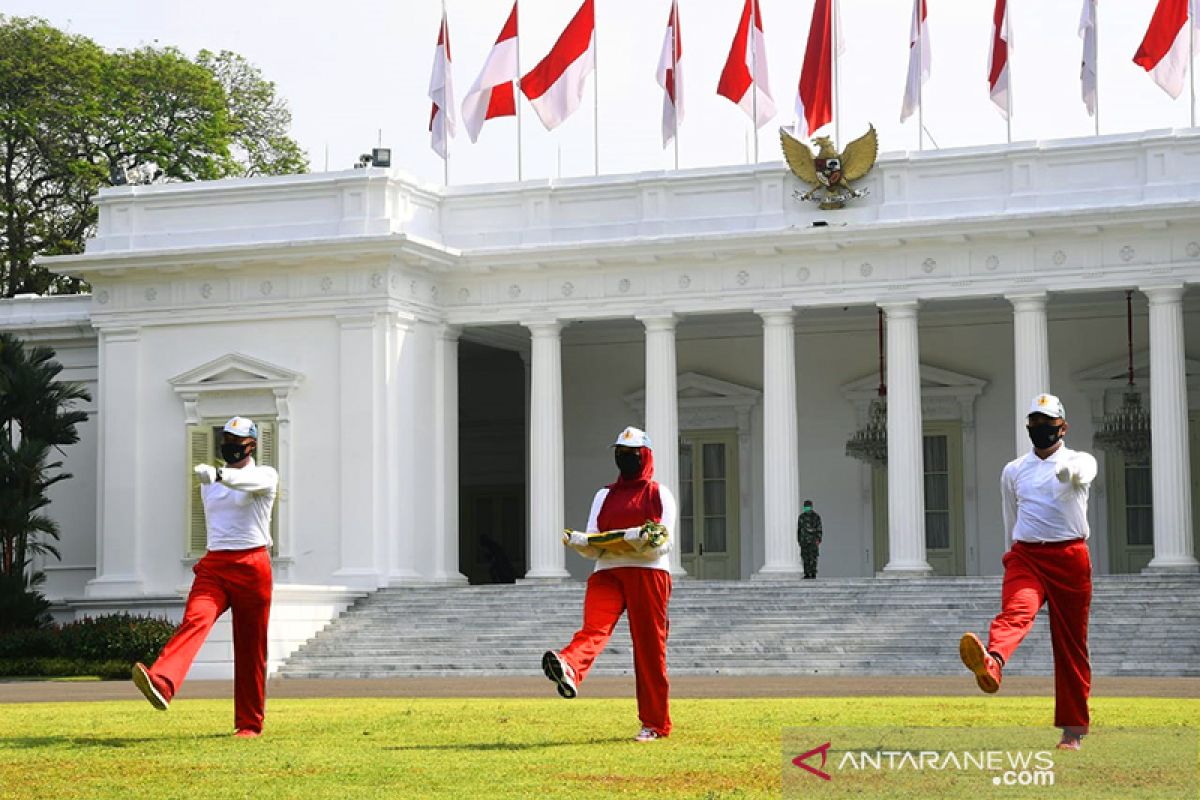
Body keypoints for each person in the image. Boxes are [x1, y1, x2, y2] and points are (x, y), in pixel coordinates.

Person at [960, 393, 1097, 751]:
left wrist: (1069, 474)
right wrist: (1010, 556)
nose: (1040, 429)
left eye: (1047, 424)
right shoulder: (1014, 470)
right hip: (1027, 556)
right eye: (1034, 423)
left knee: (1071, 646)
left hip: (1069, 558)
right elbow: (1011, 516)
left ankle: (1073, 730)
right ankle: (992, 662)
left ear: (1063, 427)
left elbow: (1083, 473)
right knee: (1016, 612)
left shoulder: (1079, 460)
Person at [131, 416, 279, 738]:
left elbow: (246, 484)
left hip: (252, 564)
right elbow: (222, 491)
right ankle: (162, 682)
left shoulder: (265, 475)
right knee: (195, 619)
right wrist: (214, 476)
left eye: (237, 441)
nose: (230, 446)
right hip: (215, 564)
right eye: (226, 439)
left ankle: (249, 725)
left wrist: (219, 474)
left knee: (251, 647)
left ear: (251, 445)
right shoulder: (208, 482)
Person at [542, 426, 677, 742]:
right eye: (620, 453)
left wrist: (635, 540)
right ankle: (570, 667)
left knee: (649, 650)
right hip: (607, 570)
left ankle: (655, 724)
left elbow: (663, 543)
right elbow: (594, 539)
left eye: (631, 454)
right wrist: (579, 543)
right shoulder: (604, 495)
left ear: (645, 456)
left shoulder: (660, 493)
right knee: (593, 628)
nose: (625, 459)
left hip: (649, 573)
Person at [797, 500, 823, 579]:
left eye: (808, 506)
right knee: (805, 557)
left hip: (813, 541)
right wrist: (799, 540)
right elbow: (799, 529)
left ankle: (813, 573)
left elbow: (819, 529)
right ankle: (807, 573)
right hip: (804, 541)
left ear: (811, 507)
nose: (807, 508)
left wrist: (818, 539)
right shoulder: (801, 517)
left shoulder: (816, 517)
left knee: (813, 557)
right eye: (805, 506)